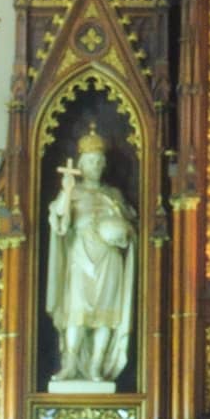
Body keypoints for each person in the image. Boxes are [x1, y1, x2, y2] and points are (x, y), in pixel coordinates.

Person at [47, 124, 138, 389]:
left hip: (109, 257)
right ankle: (70, 364)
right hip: (81, 255)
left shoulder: (113, 195)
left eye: (99, 161)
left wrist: (121, 233)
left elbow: (131, 225)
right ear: (81, 165)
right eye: (90, 161)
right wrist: (66, 191)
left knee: (105, 314)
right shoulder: (73, 192)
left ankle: (97, 365)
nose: (96, 166)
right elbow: (60, 223)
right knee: (77, 311)